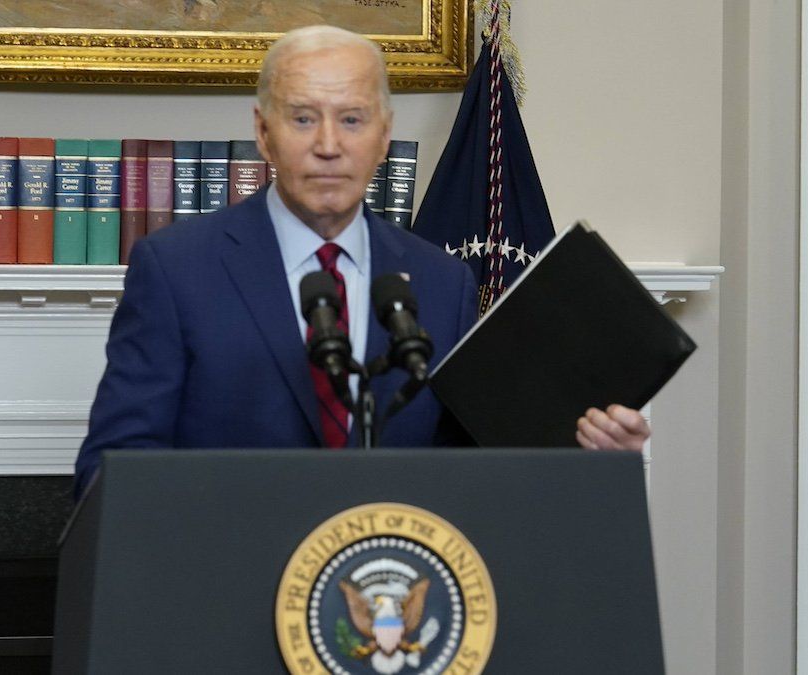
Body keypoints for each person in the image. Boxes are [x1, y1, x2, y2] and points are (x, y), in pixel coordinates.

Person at [74, 25, 649, 493]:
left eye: (352, 119)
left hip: (391, 609)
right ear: (264, 133)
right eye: (303, 118)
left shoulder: (442, 281)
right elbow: (110, 472)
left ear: (383, 135)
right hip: (229, 597)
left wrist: (588, 455)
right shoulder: (176, 270)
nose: (329, 144)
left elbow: (478, 470)